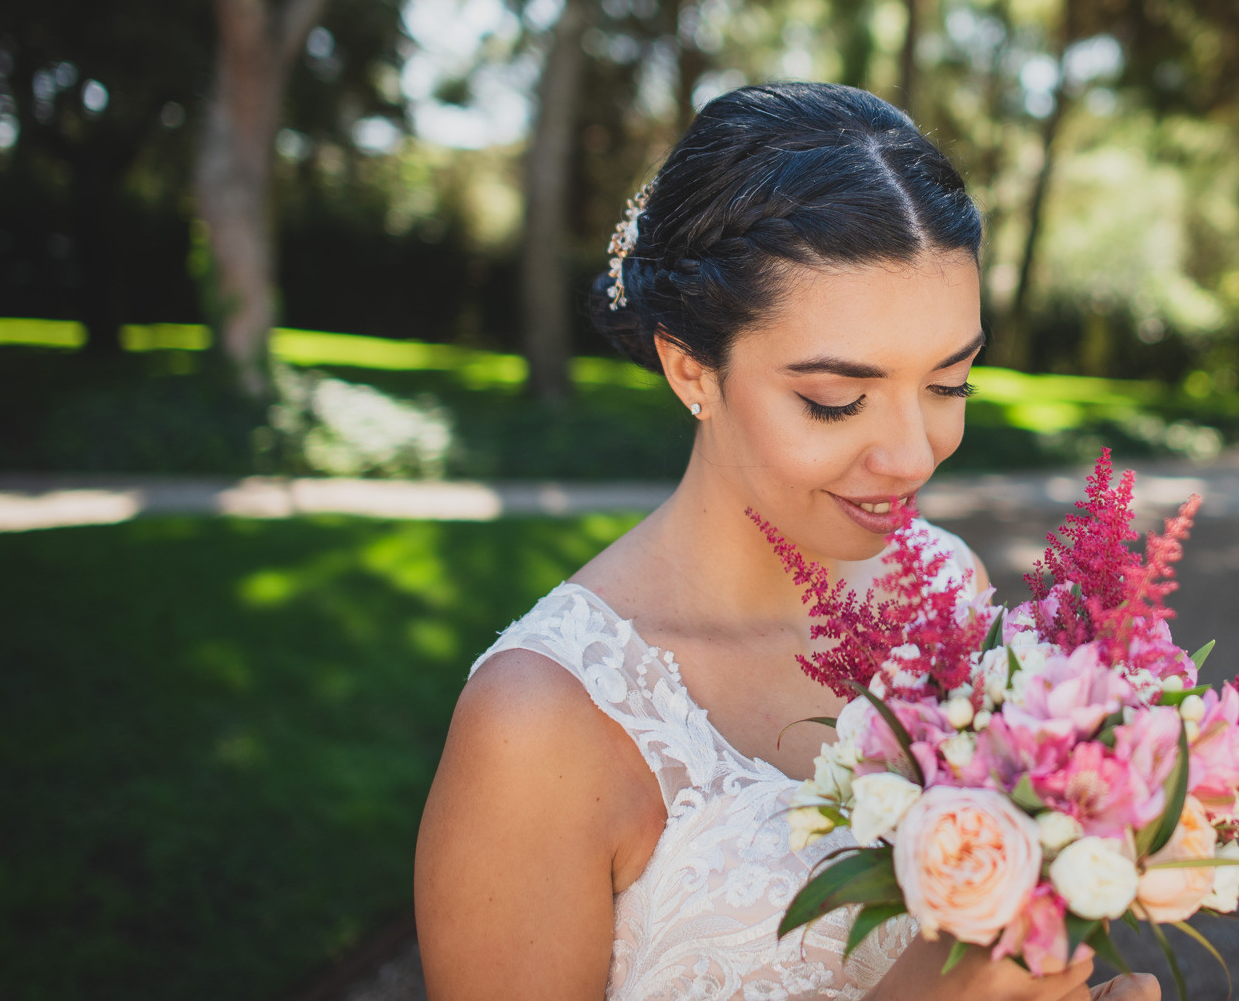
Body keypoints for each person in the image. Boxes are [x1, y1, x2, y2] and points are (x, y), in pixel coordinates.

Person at [415, 84, 1159, 1000]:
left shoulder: (951, 589)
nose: (911, 455)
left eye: (949, 384)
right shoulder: (541, 722)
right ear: (691, 367)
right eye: (836, 400)